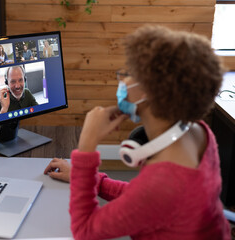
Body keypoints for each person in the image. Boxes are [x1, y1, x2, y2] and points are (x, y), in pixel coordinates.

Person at [44, 25, 231, 239]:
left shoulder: (162, 182)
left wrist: (87, 146)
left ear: (150, 91)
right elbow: (144, 198)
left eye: (130, 73)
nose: (124, 81)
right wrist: (87, 179)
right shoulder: (199, 131)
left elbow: (84, 230)